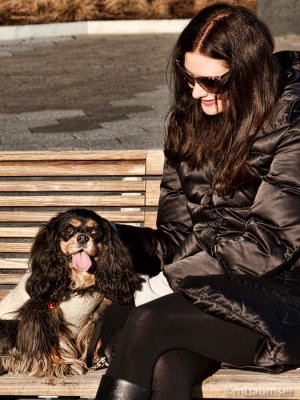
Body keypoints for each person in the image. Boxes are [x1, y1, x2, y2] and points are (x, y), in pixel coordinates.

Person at [95, 2, 300, 399]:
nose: (196, 92)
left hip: (283, 296)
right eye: (189, 78)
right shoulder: (191, 121)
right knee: (168, 364)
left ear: (249, 75)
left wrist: (165, 284)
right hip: (207, 292)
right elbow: (176, 236)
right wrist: (110, 240)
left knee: (148, 321)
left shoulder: (293, 122)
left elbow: (271, 243)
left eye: (213, 82)